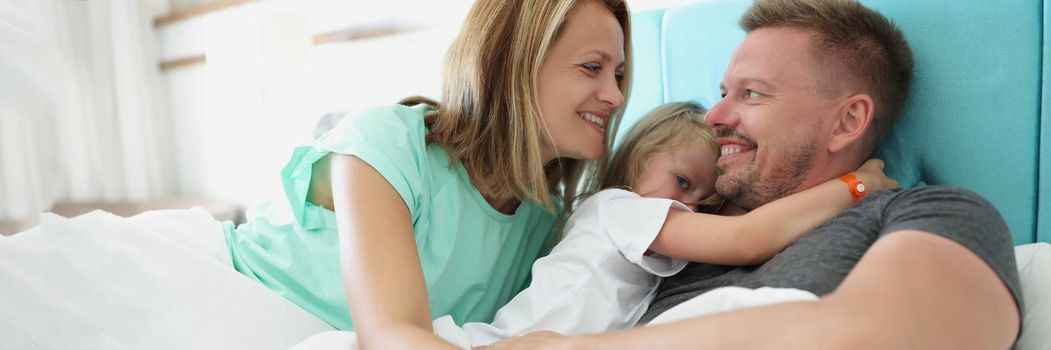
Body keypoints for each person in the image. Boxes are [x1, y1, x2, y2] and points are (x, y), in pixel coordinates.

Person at [483, 0, 1024, 349]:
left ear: (847, 121)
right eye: (722, 93)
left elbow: (892, 332)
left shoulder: (926, 212)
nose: (714, 117)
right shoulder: (670, 235)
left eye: (752, 94)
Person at [222, 0, 632, 348]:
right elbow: (391, 336)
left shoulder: (544, 227)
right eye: (592, 67)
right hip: (223, 299)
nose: (614, 96)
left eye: (617, 75)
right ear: (512, 64)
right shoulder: (385, 145)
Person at [430, 101, 897, 348]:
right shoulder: (619, 208)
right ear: (637, 160)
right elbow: (747, 238)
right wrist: (856, 184)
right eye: (681, 181)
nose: (689, 205)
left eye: (705, 199)